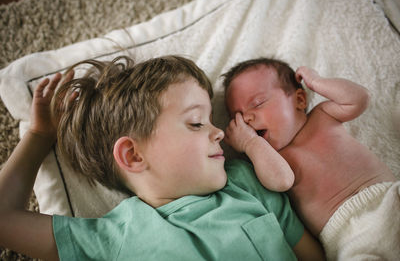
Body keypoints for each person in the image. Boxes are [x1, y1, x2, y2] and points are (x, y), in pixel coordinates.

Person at [0, 55, 325, 260]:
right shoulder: (113, 238)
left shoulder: (250, 183)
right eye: (196, 122)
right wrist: (39, 136)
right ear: (132, 155)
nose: (220, 133)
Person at [222, 57, 400, 260]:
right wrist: (249, 143)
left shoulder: (323, 116)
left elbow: (359, 99)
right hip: (349, 234)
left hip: (389, 196)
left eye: (258, 103)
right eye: (237, 117)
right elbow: (281, 181)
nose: (247, 118)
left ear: (299, 99)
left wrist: (316, 82)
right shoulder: (269, 159)